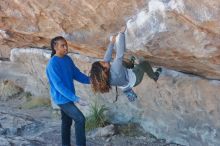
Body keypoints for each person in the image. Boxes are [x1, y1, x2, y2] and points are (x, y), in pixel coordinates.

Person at [90, 26, 162, 102]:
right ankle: (154, 76)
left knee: (122, 63)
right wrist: (121, 33)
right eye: (103, 63)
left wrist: (112, 43)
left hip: (123, 80)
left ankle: (131, 64)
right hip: (134, 79)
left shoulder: (104, 77)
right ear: (104, 70)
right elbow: (120, 53)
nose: (105, 61)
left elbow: (106, 59)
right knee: (144, 64)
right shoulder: (115, 69)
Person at [46, 36, 90, 146]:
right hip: (62, 99)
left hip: (69, 96)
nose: (66, 47)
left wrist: (91, 80)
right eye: (63, 46)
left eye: (66, 45)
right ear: (55, 47)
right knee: (80, 119)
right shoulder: (52, 64)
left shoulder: (67, 59)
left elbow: (77, 74)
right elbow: (59, 86)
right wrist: (77, 99)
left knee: (66, 122)